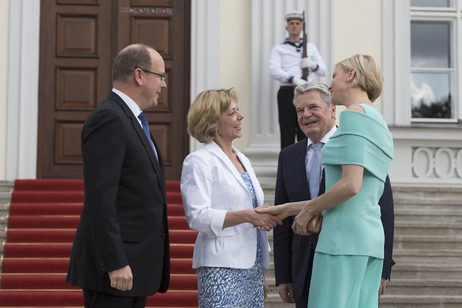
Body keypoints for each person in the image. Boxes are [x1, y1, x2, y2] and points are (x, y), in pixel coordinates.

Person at [259, 54, 393, 307]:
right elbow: (357, 193)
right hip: (368, 241)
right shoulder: (377, 119)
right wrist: (286, 209)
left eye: (334, 75)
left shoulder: (353, 115)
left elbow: (350, 186)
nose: (331, 83)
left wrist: (308, 209)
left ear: (351, 75)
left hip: (341, 241)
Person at [66, 43, 170, 308]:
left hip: (135, 266)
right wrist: (114, 262)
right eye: (161, 76)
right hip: (116, 272)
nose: (164, 84)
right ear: (139, 75)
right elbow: (101, 199)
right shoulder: (109, 118)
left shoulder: (132, 119)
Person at [180, 88, 282, 307]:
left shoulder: (242, 158)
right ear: (213, 122)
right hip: (220, 265)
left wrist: (260, 270)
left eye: (238, 110)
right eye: (232, 112)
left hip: (252, 267)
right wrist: (248, 216)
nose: (241, 116)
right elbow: (197, 217)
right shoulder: (198, 161)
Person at [269, 11, 327, 149]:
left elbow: (323, 70)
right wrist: (293, 79)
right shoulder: (279, 48)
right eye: (291, 23)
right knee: (287, 131)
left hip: (306, 92)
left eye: (297, 23)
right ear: (287, 28)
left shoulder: (310, 47)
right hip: (287, 92)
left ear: (302, 28)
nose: (294, 26)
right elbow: (274, 70)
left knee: (307, 130)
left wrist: (313, 65)